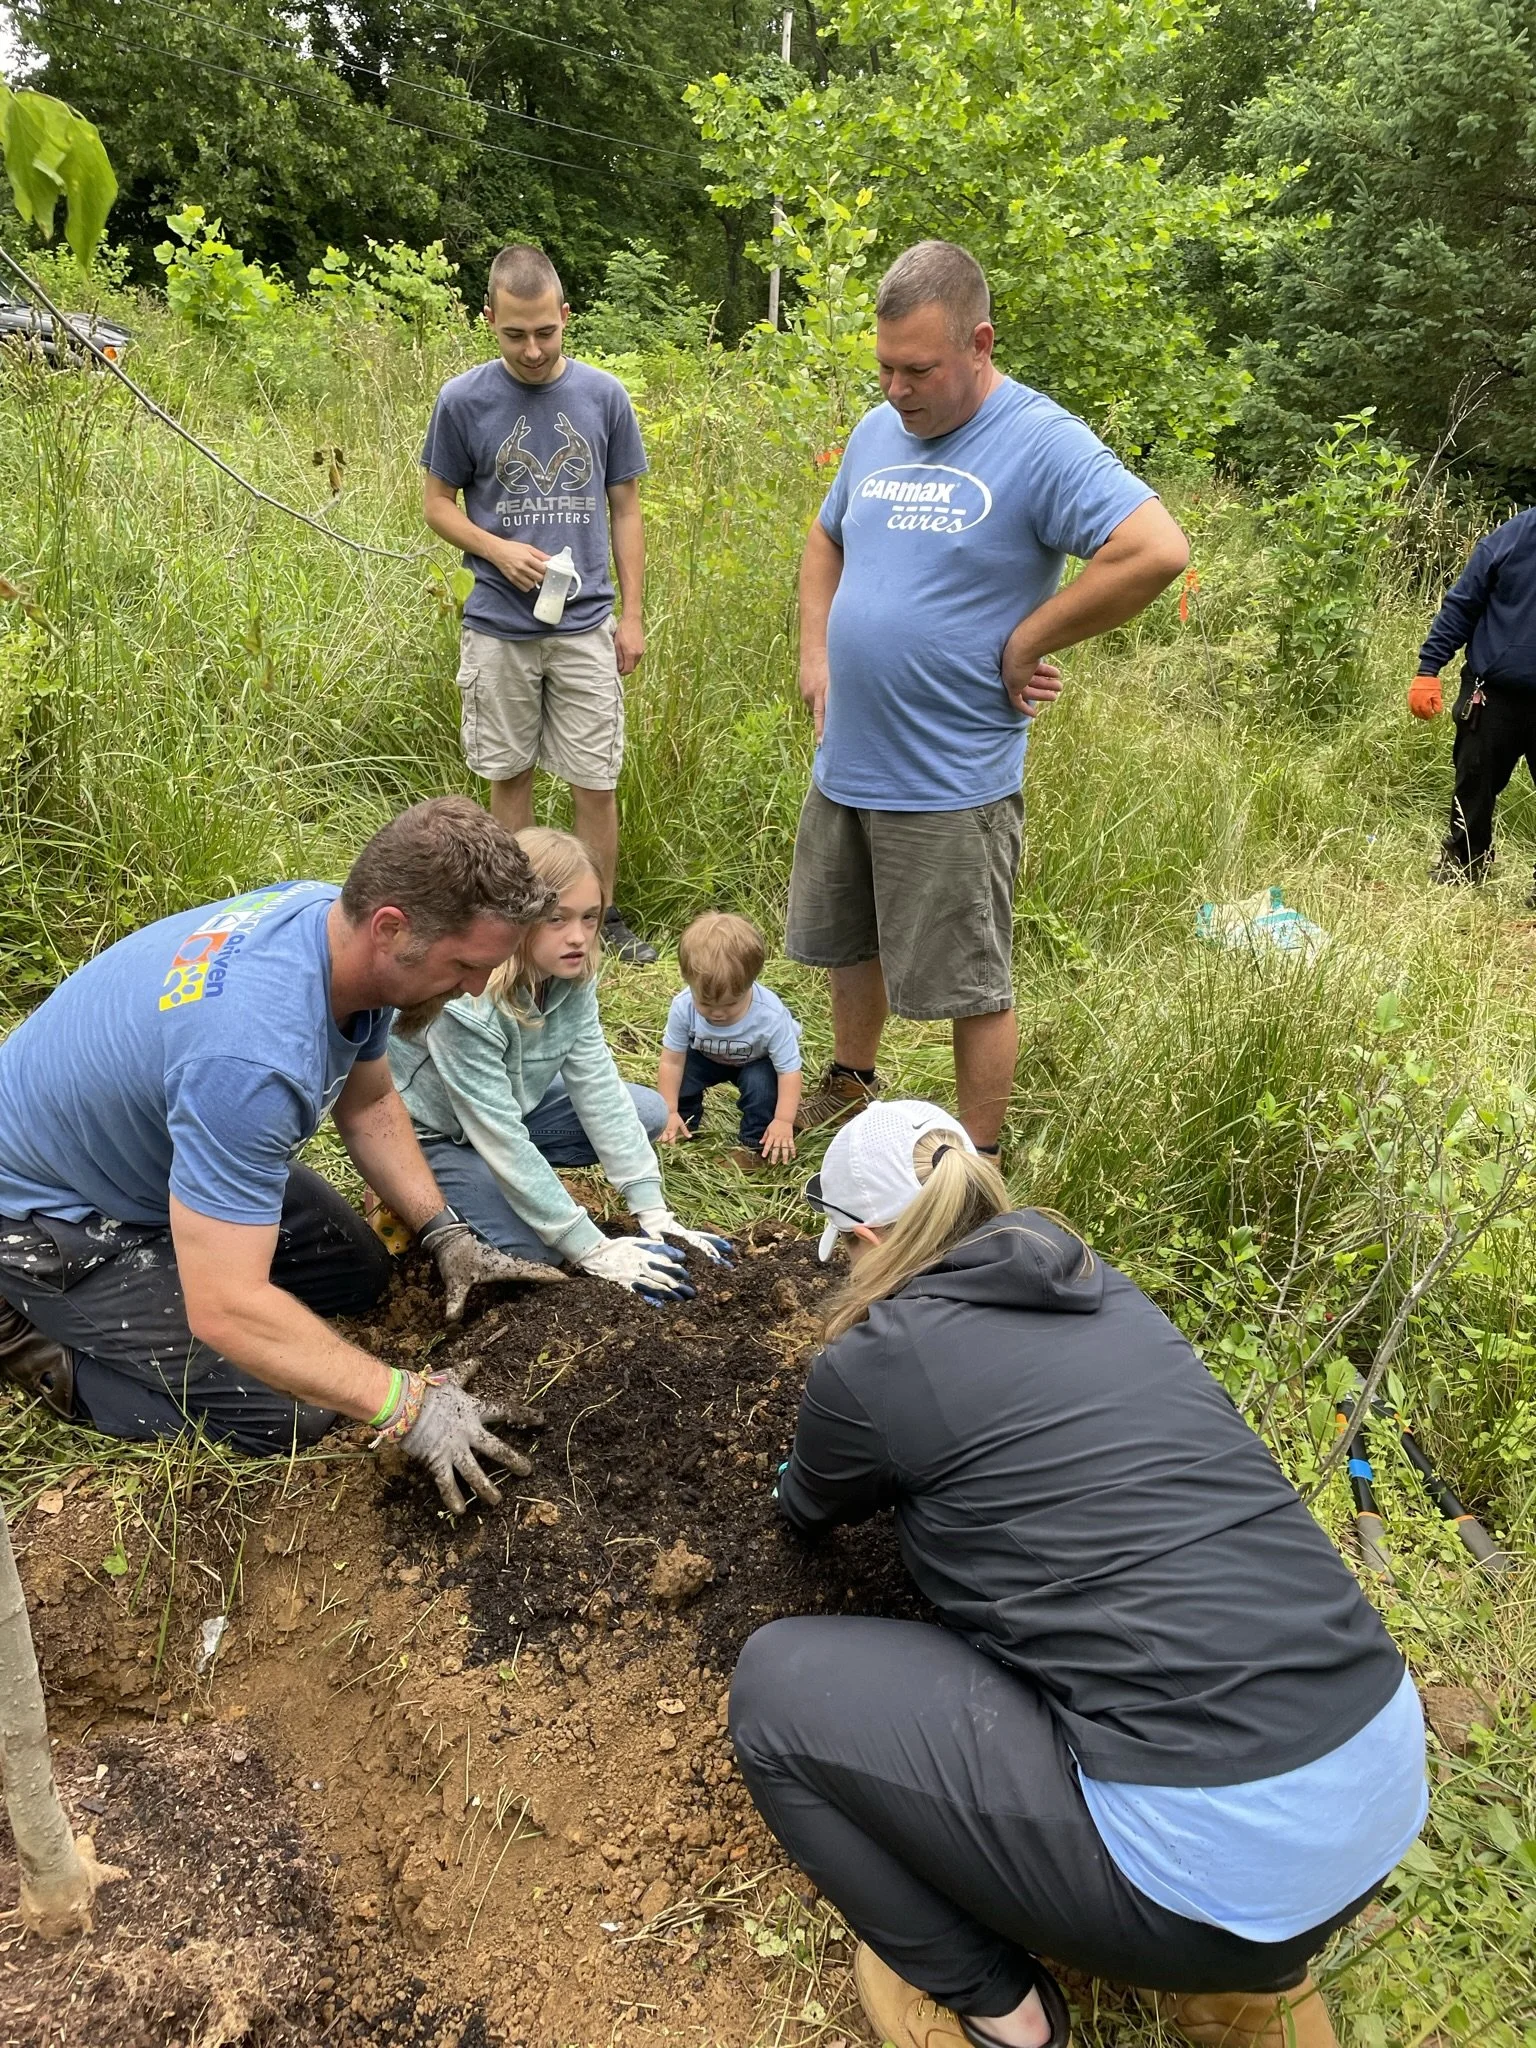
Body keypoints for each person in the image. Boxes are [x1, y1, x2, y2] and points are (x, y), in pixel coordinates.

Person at [730, 1101, 1427, 2048]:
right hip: (1380, 1788)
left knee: (776, 1691)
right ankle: (1257, 1987)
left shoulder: (877, 1362)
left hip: (1212, 1879)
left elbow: (806, 1507)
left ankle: (1003, 2016)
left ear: (865, 1237)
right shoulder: (1111, 1293)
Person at [0, 798, 570, 1516]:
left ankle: (181, 1254)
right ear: (391, 927)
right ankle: (33, 1344)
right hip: (46, 1218)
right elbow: (227, 1309)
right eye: (464, 964)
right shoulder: (253, 1062)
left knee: (359, 1275)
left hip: (151, 1155)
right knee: (285, 1414)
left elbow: (366, 1102)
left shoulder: (328, 925)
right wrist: (406, 1406)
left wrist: (445, 1231)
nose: (474, 988)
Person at [787, 241, 1189, 1153]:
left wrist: (1029, 637)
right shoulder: (875, 430)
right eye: (884, 366)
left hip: (952, 776)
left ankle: (979, 1163)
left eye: (918, 368)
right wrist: (817, 650)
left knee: (973, 978)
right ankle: (851, 1083)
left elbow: (1157, 549)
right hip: (849, 755)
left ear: (979, 342)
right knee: (851, 941)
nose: (896, 388)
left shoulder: (1040, 441)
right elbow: (826, 540)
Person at [421, 241, 657, 964]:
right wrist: (496, 549)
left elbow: (627, 510)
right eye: (513, 333)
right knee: (510, 774)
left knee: (595, 778)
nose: (530, 349)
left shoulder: (603, 396)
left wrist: (635, 615)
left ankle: (598, 916)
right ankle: (519, 921)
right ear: (489, 319)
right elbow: (437, 505)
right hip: (498, 622)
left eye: (545, 332)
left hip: (585, 621)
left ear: (566, 315)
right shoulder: (463, 401)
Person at [388, 828, 731, 1302]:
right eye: (557, 919)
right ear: (518, 919)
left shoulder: (572, 974)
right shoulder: (466, 1006)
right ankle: (415, 1198)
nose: (579, 937)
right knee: (537, 1250)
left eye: (590, 918)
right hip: (436, 1134)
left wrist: (652, 1211)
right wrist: (589, 1246)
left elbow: (597, 1084)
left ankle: (518, 1190)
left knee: (646, 1112)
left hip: (511, 1108)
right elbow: (501, 1138)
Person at [1409, 505, 1536, 901]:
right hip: (1494, 692)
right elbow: (1463, 603)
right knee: (1474, 782)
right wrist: (1429, 668)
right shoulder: (1513, 537)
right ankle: (1464, 863)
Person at [656, 912, 803, 1171]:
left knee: (761, 1087)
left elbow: (789, 1071)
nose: (718, 1013)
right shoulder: (682, 1006)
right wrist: (667, 1110)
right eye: (706, 1003)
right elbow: (671, 1061)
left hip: (757, 1059)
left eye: (730, 1004)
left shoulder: (770, 1015)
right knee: (684, 1076)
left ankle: (755, 1146)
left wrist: (783, 1120)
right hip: (706, 1056)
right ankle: (682, 1125)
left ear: (750, 984)